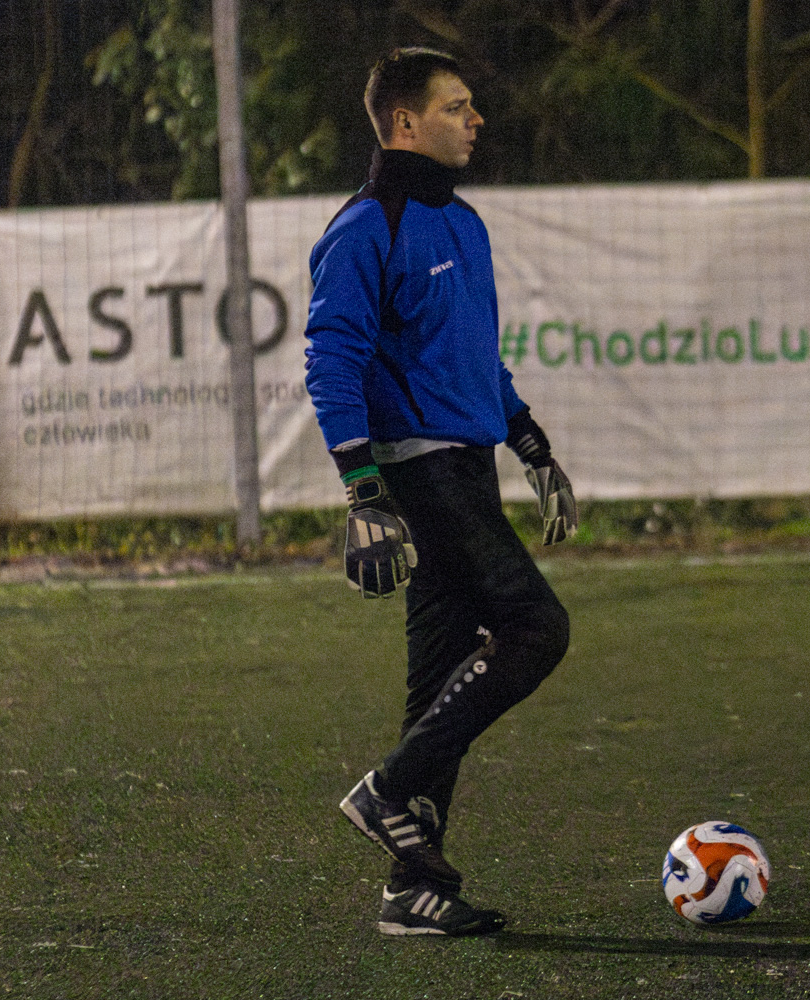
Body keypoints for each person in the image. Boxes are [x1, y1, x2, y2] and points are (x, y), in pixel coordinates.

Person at [303, 46, 579, 937]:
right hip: (419, 474)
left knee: (438, 678)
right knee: (537, 628)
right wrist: (363, 492)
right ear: (405, 122)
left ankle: (412, 891)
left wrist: (530, 441)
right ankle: (386, 790)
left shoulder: (464, 224)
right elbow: (331, 360)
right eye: (457, 106)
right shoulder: (364, 227)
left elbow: (475, 356)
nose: (476, 120)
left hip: (470, 468)